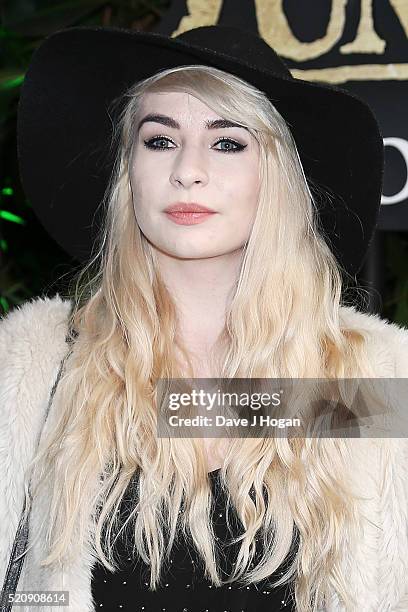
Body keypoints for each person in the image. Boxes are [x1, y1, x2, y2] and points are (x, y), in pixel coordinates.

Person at [1, 24, 408, 612]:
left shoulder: (368, 382)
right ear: (127, 175)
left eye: (227, 143)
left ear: (279, 176)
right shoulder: (34, 370)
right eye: (160, 141)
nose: (188, 170)